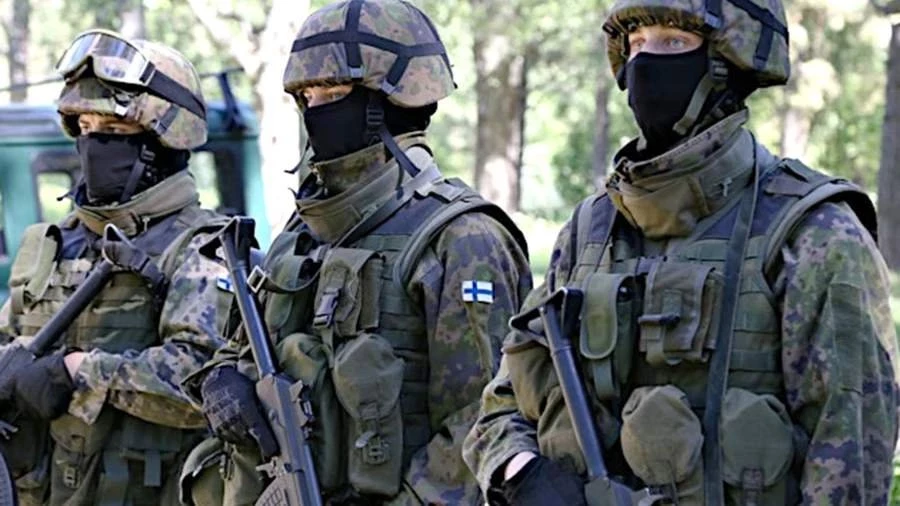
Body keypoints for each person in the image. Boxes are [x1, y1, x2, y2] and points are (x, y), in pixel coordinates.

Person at [463, 0, 900, 505]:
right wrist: (522, 472)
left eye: (673, 41)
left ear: (728, 63)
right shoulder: (588, 232)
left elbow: (849, 464)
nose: (646, 64)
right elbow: (501, 405)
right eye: (637, 44)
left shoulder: (813, 234)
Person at [178, 0, 532, 505]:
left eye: (334, 93)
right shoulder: (303, 231)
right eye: (307, 96)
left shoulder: (462, 238)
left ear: (392, 102)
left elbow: (479, 424)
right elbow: (240, 347)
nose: (316, 109)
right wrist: (222, 379)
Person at [0, 30, 234, 505]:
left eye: (112, 130)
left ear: (163, 140)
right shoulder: (51, 244)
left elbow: (205, 384)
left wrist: (77, 372)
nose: (93, 143)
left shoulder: (203, 248)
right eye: (84, 127)